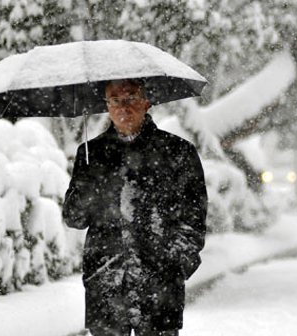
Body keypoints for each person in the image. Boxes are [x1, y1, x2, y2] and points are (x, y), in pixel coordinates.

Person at [63, 79, 208, 335]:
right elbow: (74, 218)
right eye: (115, 100)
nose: (123, 107)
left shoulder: (177, 152)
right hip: (105, 283)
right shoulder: (91, 154)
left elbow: (193, 217)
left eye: (131, 98)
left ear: (147, 101)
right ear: (106, 105)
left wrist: (175, 264)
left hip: (160, 286)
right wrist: (90, 182)